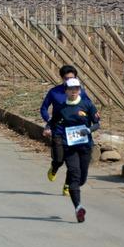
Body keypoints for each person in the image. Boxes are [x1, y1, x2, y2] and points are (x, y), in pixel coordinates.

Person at [43, 78, 100, 223]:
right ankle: (78, 207)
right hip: (69, 147)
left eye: (76, 89)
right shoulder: (61, 108)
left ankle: (75, 191)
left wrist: (88, 130)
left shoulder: (87, 105)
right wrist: (48, 128)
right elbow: (53, 122)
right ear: (66, 91)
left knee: (82, 178)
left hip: (86, 147)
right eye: (71, 89)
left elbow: (97, 124)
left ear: (79, 90)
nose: (74, 91)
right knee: (74, 175)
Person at [40, 65, 92, 196]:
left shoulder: (81, 92)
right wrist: (49, 122)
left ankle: (68, 185)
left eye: (73, 78)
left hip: (75, 132)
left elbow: (89, 109)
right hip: (58, 130)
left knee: (72, 163)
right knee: (59, 159)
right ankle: (54, 167)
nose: (70, 81)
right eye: (66, 78)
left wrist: (88, 126)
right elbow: (44, 108)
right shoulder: (54, 92)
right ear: (62, 79)